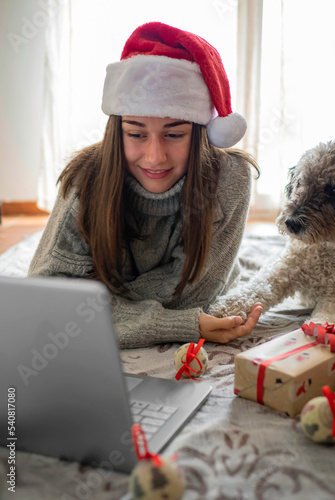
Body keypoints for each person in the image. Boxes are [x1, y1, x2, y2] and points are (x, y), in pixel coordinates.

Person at [28, 22, 262, 348]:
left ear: (199, 133)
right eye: (136, 134)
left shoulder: (231, 179)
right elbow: (45, 296)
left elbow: (194, 292)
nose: (154, 157)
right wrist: (181, 324)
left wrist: (98, 303)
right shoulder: (87, 178)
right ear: (117, 132)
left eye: (174, 134)